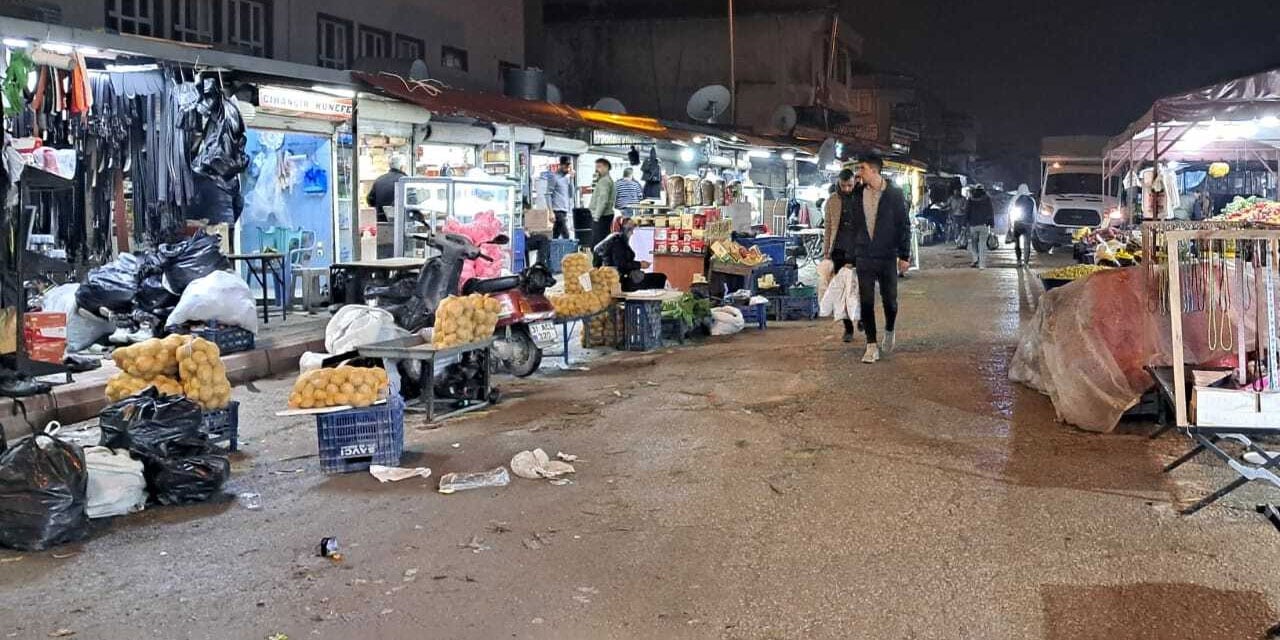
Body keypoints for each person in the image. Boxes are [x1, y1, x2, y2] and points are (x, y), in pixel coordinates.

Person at [828, 156, 912, 364]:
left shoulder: (894, 194)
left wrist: (904, 255)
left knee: (890, 301)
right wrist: (850, 256)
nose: (858, 173)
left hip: (887, 255)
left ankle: (890, 329)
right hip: (864, 255)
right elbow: (852, 227)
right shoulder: (856, 194)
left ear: (874, 171)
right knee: (865, 300)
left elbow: (904, 225)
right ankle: (871, 344)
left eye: (862, 169)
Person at [594, 217, 667, 292]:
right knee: (660, 278)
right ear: (623, 229)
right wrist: (640, 264)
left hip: (619, 277)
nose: (632, 232)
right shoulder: (617, 242)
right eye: (630, 229)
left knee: (658, 277)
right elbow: (621, 264)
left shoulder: (615, 240)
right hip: (620, 280)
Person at [537, 156, 574, 239]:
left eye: (569, 166)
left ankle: (550, 250)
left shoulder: (566, 179)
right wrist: (551, 212)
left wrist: (571, 179)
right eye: (565, 166)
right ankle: (569, 250)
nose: (567, 168)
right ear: (560, 165)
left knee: (556, 234)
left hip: (564, 210)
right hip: (557, 211)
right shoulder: (554, 177)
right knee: (566, 235)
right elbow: (548, 194)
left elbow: (571, 194)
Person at [366, 155, 406, 222]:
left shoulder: (379, 180)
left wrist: (381, 208)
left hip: (382, 222)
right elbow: (412, 202)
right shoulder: (405, 181)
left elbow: (370, 200)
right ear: (402, 167)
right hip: (401, 222)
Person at [588, 158, 617, 248]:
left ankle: (597, 262)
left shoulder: (604, 181)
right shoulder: (608, 180)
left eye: (599, 167)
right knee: (604, 242)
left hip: (601, 217)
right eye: (596, 167)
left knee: (597, 244)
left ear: (606, 167)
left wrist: (596, 216)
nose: (597, 169)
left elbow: (603, 199)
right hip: (605, 215)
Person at [965, 184, 995, 269]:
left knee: (973, 243)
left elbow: (967, 212)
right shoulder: (987, 199)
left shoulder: (970, 199)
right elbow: (991, 211)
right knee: (982, 245)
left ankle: (975, 258)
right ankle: (982, 264)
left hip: (973, 225)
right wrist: (992, 224)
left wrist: (965, 224)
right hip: (984, 225)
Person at [1009, 183, 1036, 266]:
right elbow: (1034, 213)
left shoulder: (1015, 199)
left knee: (1017, 243)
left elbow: (1010, 212)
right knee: (1027, 244)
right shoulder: (1032, 200)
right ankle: (1026, 262)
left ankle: (1019, 260)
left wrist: (1010, 224)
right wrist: (1034, 224)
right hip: (1028, 224)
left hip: (1018, 223)